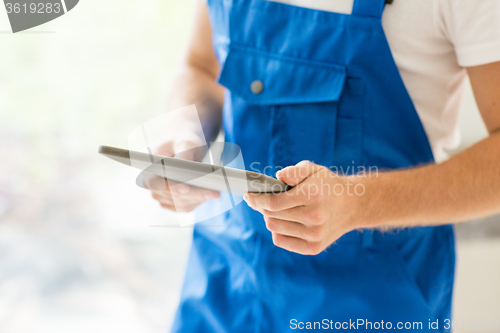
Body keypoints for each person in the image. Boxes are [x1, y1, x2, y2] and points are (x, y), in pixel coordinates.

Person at [146, 0, 500, 332]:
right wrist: (186, 135)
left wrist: (357, 203)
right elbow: (201, 66)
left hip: (374, 299)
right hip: (226, 281)